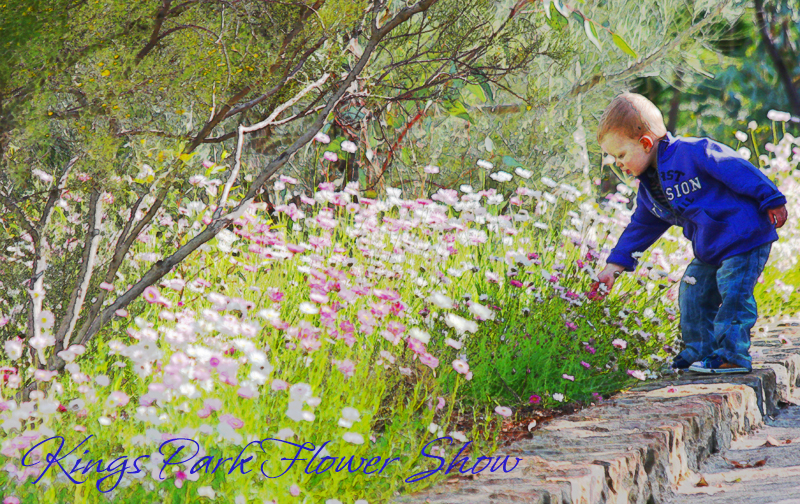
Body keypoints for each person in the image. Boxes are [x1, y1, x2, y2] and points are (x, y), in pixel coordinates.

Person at [591, 92, 788, 374]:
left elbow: (736, 168)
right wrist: (614, 265)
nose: (618, 163)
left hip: (744, 236)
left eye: (621, 155)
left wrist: (771, 198)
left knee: (733, 293)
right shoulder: (650, 190)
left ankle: (732, 355)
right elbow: (641, 227)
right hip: (710, 247)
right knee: (692, 291)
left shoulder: (692, 153)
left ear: (646, 143)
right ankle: (701, 350)